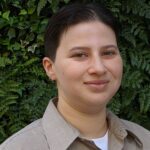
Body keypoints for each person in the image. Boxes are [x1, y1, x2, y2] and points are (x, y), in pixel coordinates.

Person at [0, 3, 150, 150]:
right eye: (80, 55)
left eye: (108, 53)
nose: (98, 68)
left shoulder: (145, 141)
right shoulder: (19, 147)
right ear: (50, 68)